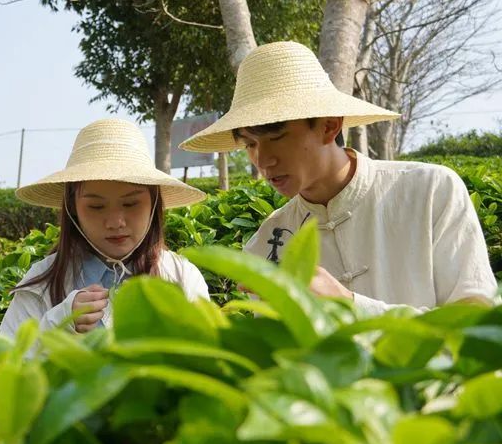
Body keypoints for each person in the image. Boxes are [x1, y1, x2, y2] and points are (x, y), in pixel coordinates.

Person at [180, 41, 497, 315]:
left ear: (329, 126)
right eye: (249, 144)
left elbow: (472, 325)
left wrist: (347, 304)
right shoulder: (268, 241)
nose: (263, 160)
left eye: (276, 137)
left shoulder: (430, 192)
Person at [0, 118, 210, 337]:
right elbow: (6, 363)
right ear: (73, 209)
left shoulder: (181, 276)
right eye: (96, 206)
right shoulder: (43, 283)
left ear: (154, 203)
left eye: (131, 204)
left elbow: (209, 358)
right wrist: (59, 322)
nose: (116, 222)